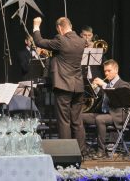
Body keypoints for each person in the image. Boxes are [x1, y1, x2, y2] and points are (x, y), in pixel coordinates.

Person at [32, 16, 89, 154]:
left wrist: (36, 25)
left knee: (64, 121)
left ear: (59, 28)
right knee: (77, 121)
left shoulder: (60, 39)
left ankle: (67, 153)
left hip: (63, 86)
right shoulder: (81, 41)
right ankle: (81, 152)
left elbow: (39, 41)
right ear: (71, 26)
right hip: (78, 86)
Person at [81, 59, 130, 158]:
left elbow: (116, 97)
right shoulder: (107, 84)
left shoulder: (123, 84)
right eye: (105, 71)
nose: (106, 73)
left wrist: (103, 85)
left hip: (117, 115)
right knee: (79, 116)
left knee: (100, 119)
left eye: (109, 71)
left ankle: (101, 150)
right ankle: (83, 147)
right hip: (104, 113)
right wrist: (94, 89)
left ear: (116, 70)